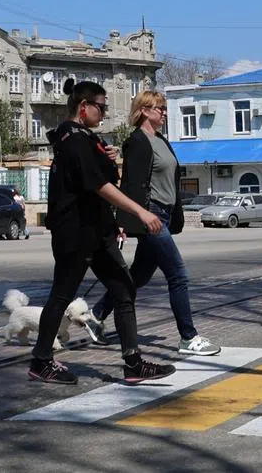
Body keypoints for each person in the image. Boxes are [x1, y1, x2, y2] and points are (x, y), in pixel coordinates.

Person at [28, 79, 178, 386]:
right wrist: (140, 211)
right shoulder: (74, 141)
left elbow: (106, 178)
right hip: (76, 231)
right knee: (62, 294)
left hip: (96, 231)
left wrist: (109, 161)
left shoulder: (86, 139)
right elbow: (99, 186)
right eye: (101, 106)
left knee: (124, 288)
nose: (104, 112)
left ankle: (133, 363)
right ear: (84, 107)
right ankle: (41, 360)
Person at [83, 88, 221, 357]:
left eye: (165, 109)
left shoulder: (161, 140)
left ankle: (96, 314)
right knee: (178, 275)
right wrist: (126, 220)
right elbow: (131, 183)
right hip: (151, 216)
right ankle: (188, 337)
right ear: (144, 110)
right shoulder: (137, 141)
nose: (164, 113)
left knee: (140, 275)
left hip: (165, 215)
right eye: (160, 108)